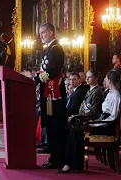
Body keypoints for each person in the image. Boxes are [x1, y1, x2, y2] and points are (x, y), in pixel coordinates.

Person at [59, 70, 120, 173]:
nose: (104, 80)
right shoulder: (110, 93)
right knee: (74, 130)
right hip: (102, 123)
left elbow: (112, 117)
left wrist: (96, 123)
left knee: (76, 131)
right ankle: (72, 163)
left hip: (107, 127)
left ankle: (72, 164)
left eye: (105, 79)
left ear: (109, 81)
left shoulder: (116, 96)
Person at [33, 23, 67, 168]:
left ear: (51, 32)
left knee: (56, 125)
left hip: (55, 93)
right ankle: (54, 157)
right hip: (48, 93)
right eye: (40, 33)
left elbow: (52, 71)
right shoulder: (49, 50)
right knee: (51, 126)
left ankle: (58, 158)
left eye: (43, 32)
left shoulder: (56, 49)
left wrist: (37, 79)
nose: (41, 35)